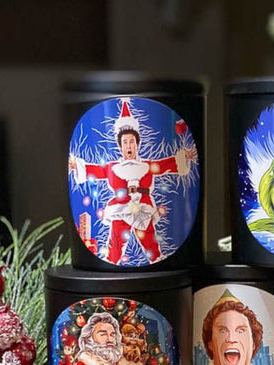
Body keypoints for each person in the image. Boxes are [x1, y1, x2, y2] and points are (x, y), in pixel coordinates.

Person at [70, 101, 197, 264]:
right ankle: (113, 263)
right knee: (116, 242)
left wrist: (184, 157)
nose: (129, 146)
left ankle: (158, 261)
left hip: (143, 207)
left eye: (132, 142)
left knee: (150, 240)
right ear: (120, 146)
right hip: (120, 208)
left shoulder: (147, 166)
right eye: (125, 142)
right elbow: (94, 170)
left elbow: (166, 165)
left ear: (137, 144)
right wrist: (77, 165)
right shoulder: (112, 168)